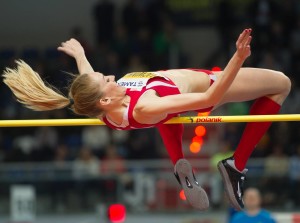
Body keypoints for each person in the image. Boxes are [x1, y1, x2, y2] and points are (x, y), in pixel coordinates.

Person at [2, 29, 291, 211]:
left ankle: (179, 163)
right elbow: (209, 99)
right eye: (107, 79)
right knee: (282, 84)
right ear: (105, 98)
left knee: (165, 113)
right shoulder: (144, 107)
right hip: (205, 84)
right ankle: (236, 165)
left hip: (165, 104)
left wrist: (80, 54)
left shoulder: (103, 108)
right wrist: (238, 58)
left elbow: (88, 81)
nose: (111, 75)